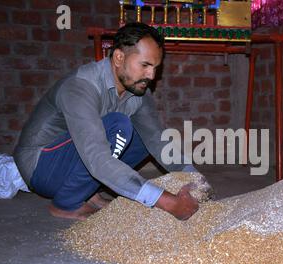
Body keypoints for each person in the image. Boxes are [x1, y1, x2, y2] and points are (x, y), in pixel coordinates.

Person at [14, 22, 203, 221]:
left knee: (144, 135)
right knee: (118, 125)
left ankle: (87, 191)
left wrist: (195, 180)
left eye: (155, 67)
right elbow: (97, 157)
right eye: (145, 65)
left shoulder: (137, 90)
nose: (152, 75)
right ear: (119, 57)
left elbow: (158, 141)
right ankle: (67, 203)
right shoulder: (80, 87)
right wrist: (168, 202)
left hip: (75, 160)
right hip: (40, 168)